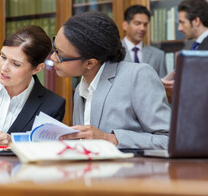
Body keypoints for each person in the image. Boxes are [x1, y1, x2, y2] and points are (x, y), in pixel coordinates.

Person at [54, 11, 171, 149]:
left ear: (90, 63)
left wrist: (109, 139)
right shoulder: (81, 87)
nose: (53, 58)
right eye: (54, 49)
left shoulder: (137, 75)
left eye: (60, 55)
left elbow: (169, 140)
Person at [161, 0, 208, 94]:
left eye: (182, 22)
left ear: (196, 21)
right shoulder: (197, 46)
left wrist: (182, 86)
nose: (179, 28)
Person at [122, 4, 167, 77]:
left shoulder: (158, 55)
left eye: (145, 25)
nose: (142, 28)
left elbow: (163, 86)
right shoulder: (113, 53)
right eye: (137, 23)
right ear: (125, 25)